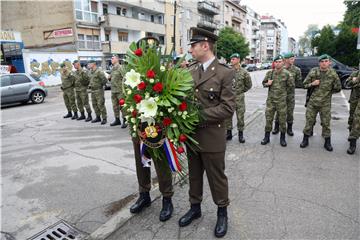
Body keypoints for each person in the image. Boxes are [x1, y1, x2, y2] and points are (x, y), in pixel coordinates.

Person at [178, 27, 235, 238]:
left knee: (216, 177)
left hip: (212, 135)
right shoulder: (190, 70)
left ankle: (222, 212)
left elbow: (228, 108)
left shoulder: (225, 72)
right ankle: (195, 207)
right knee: (193, 175)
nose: (190, 49)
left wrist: (196, 116)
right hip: (192, 135)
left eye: (193, 46)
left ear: (205, 45)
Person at [300, 54, 342, 151]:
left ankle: (327, 142)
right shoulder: (313, 71)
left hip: (325, 104)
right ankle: (305, 139)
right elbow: (304, 85)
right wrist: (312, 84)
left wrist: (328, 92)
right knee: (309, 121)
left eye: (326, 61)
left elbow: (338, 88)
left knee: (326, 123)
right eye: (322, 62)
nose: (324, 63)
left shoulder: (333, 73)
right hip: (312, 103)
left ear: (329, 62)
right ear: (319, 63)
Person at [261, 55, 294, 147]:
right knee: (268, 119)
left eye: (280, 62)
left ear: (283, 62)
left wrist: (284, 95)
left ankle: (282, 138)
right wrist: (268, 83)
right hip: (271, 101)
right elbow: (263, 83)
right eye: (276, 62)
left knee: (282, 120)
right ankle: (266, 137)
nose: (278, 63)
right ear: (274, 63)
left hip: (282, 101)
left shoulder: (287, 74)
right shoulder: (269, 73)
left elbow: (291, 87)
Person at [225, 53, 252, 142]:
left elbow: (249, 85)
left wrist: (240, 91)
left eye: (234, 59)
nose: (232, 60)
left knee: (240, 116)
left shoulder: (244, 72)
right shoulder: (227, 71)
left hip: (239, 98)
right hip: (229, 98)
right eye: (231, 59)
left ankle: (241, 135)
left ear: (238, 60)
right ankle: (229, 134)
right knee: (228, 116)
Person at [272, 52, 301, 136]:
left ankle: (289, 128)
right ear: (286, 60)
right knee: (278, 112)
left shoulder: (296, 70)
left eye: (293, 58)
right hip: (280, 95)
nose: (293, 60)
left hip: (290, 95)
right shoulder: (280, 68)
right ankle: (276, 127)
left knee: (290, 112)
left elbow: (299, 83)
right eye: (291, 58)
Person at [109, 55, 127, 128]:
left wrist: (125, 89)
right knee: (115, 106)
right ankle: (117, 120)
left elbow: (125, 78)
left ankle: (125, 120)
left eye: (113, 58)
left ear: (117, 59)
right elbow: (113, 78)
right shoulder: (112, 69)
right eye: (111, 58)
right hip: (113, 90)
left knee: (122, 106)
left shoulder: (121, 68)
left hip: (120, 91)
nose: (111, 60)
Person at [88, 60, 107, 125]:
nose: (88, 65)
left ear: (93, 64)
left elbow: (104, 80)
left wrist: (100, 86)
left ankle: (104, 118)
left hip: (99, 90)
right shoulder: (90, 72)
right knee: (94, 104)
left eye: (89, 64)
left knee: (100, 104)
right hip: (92, 90)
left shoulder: (99, 71)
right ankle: (98, 117)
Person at [345, 66, 360, 154]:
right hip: (354, 100)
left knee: (357, 120)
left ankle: (352, 142)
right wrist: (354, 81)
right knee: (352, 119)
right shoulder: (355, 73)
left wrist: (356, 82)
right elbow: (347, 84)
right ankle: (351, 134)